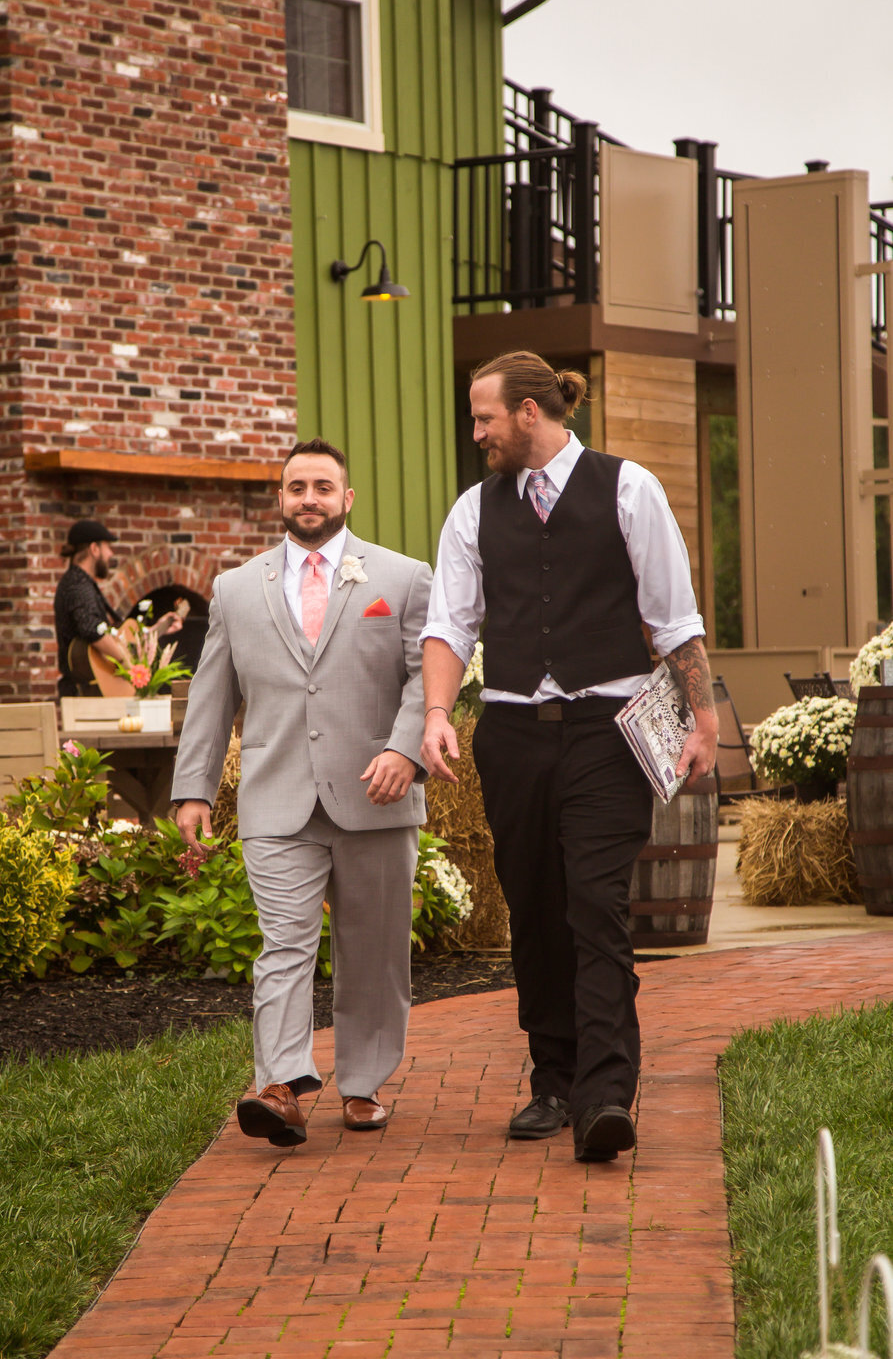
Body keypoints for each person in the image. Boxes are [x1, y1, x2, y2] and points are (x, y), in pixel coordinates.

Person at [420, 351, 718, 1165]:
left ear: (526, 412)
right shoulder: (472, 512)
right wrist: (438, 713)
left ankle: (604, 1096)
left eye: (483, 417)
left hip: (606, 729)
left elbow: (672, 618)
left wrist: (703, 719)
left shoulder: (628, 488)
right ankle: (551, 1079)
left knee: (594, 903)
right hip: (512, 733)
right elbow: (448, 625)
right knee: (535, 906)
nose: (474, 432)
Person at [171, 438, 432, 1148]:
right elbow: (211, 693)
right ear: (279, 499)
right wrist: (192, 788)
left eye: (322, 486)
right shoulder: (233, 588)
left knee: (374, 952)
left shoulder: (403, 578)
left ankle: (362, 1083)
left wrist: (403, 750)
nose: (308, 498)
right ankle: (280, 1085)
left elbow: (426, 679)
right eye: (295, 487)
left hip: (376, 796)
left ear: (346, 499)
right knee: (282, 944)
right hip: (275, 797)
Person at [54, 518, 182, 697]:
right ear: (94, 549)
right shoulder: (77, 585)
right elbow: (93, 631)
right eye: (107, 547)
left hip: (90, 692)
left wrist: (156, 629)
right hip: (85, 694)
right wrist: (127, 662)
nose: (110, 554)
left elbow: (115, 637)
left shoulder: (82, 584)